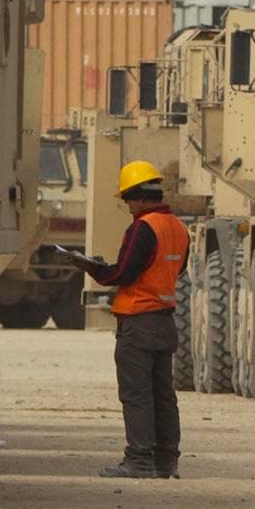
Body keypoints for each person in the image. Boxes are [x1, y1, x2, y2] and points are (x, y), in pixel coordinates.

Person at [78, 162, 187, 478]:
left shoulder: (143, 228)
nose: (127, 206)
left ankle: (139, 461)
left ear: (139, 197)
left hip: (138, 321)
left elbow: (123, 273)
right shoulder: (178, 228)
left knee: (136, 394)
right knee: (163, 395)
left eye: (127, 199)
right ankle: (166, 462)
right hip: (164, 321)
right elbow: (176, 269)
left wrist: (94, 269)